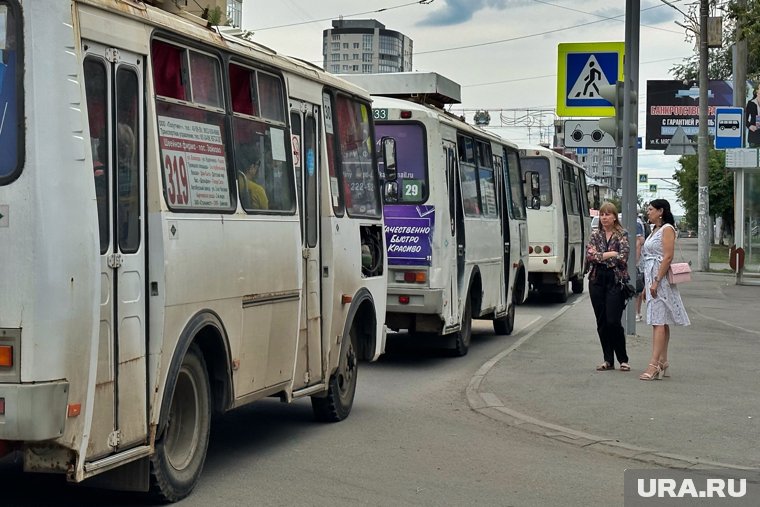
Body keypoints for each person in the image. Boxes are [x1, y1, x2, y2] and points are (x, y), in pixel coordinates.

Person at [639, 199, 690, 381]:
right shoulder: (654, 230)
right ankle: (663, 361)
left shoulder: (667, 229)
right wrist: (647, 285)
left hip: (660, 279)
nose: (648, 212)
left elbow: (668, 256)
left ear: (660, 211)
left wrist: (656, 281)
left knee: (658, 321)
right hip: (652, 277)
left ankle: (653, 365)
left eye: (651, 209)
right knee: (661, 320)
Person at [585, 202, 631, 372]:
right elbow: (590, 256)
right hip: (597, 280)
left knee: (613, 321)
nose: (604, 217)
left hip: (615, 280)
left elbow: (623, 258)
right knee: (602, 322)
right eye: (602, 214)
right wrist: (610, 254)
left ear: (614, 217)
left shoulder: (622, 234)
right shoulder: (595, 234)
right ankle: (608, 360)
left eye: (608, 214)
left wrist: (603, 256)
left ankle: (623, 359)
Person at [634, 216, 646, 322]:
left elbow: (638, 243)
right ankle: (637, 313)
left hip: (637, 262)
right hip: (640, 262)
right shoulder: (639, 222)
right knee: (638, 288)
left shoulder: (636, 223)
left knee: (636, 288)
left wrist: (635, 262)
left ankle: (636, 313)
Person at [745, 83, 760, 148]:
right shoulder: (751, 103)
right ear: (757, 91)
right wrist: (749, 126)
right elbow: (745, 117)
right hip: (754, 135)